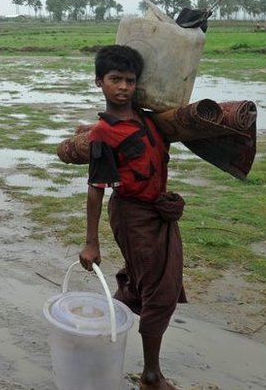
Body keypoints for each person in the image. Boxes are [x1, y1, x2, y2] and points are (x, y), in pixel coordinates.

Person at [79, 45, 186, 390]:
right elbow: (96, 187)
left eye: (129, 80)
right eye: (115, 80)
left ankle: (101, 328)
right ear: (99, 82)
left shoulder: (149, 118)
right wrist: (90, 242)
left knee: (154, 283)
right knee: (161, 294)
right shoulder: (103, 133)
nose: (123, 87)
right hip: (132, 215)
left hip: (160, 213)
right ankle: (151, 376)